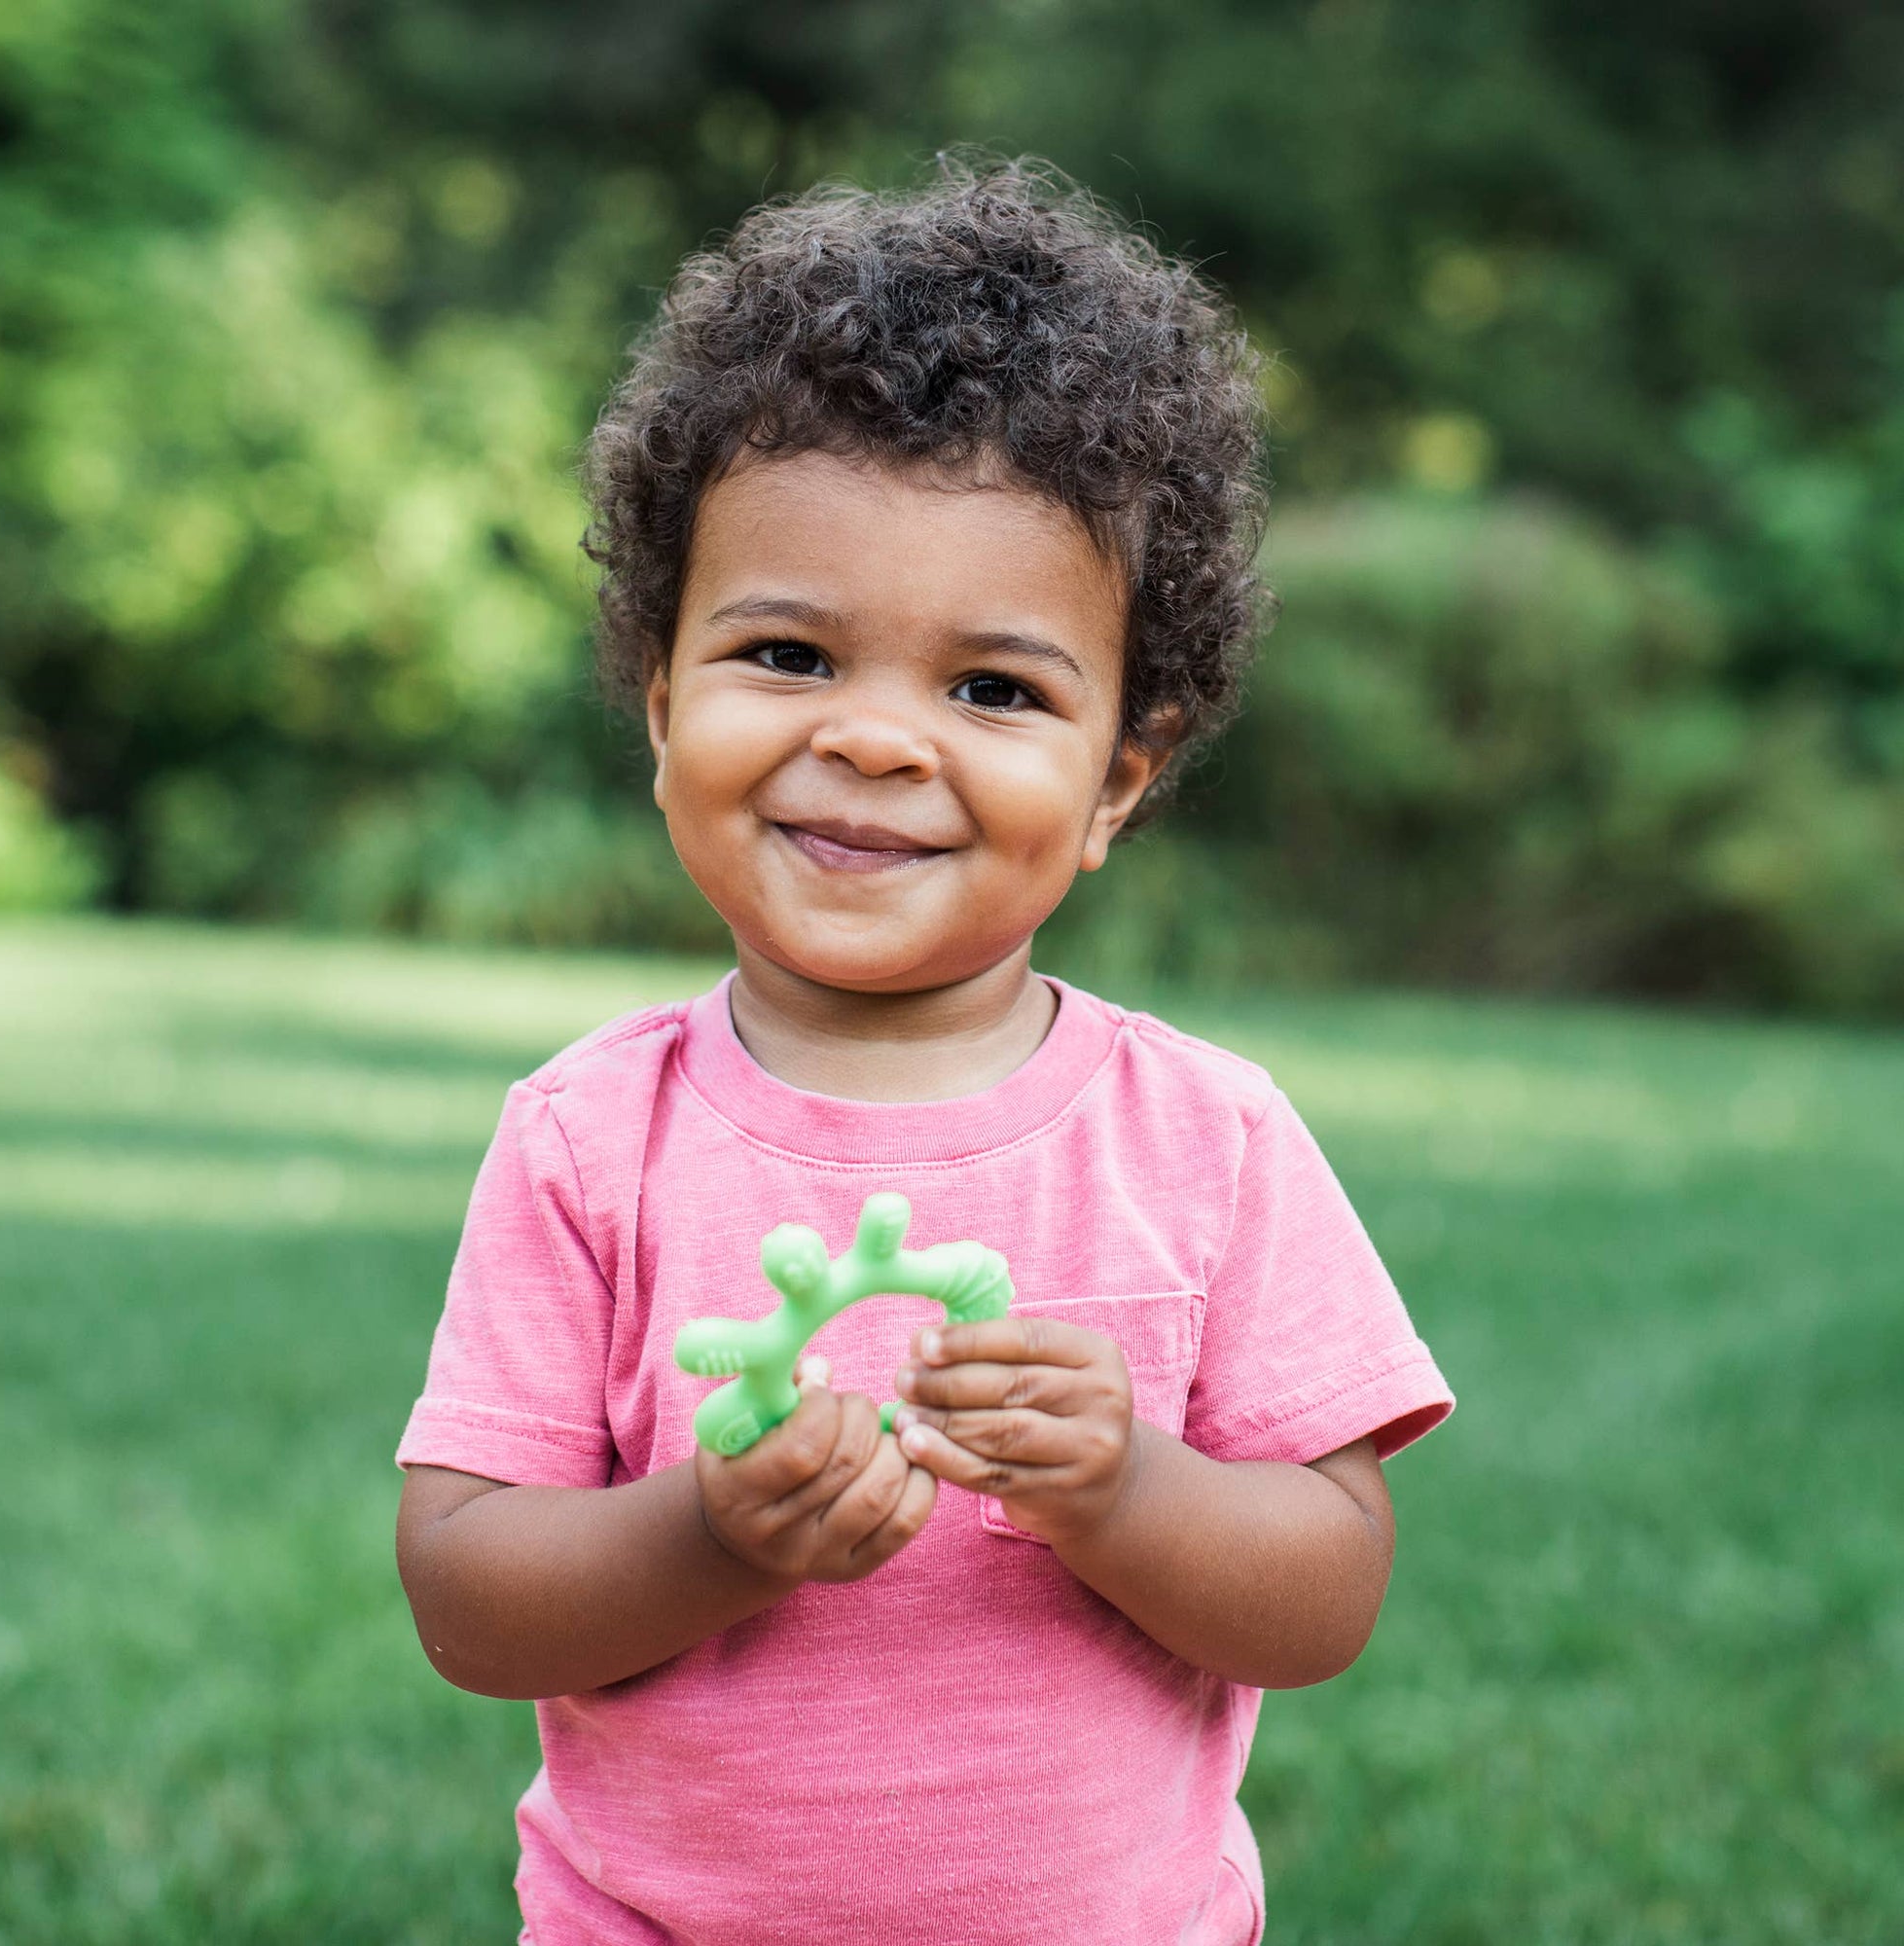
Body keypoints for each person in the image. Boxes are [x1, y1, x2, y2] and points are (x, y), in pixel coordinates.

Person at [394, 155, 1454, 1946]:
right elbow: (469, 1602)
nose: (878, 743)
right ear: (663, 706)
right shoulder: (588, 1138)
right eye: (791, 652)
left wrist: (1127, 1488)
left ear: (1119, 776)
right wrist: (710, 1538)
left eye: (993, 690)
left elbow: (1325, 1594)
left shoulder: (1208, 1137)